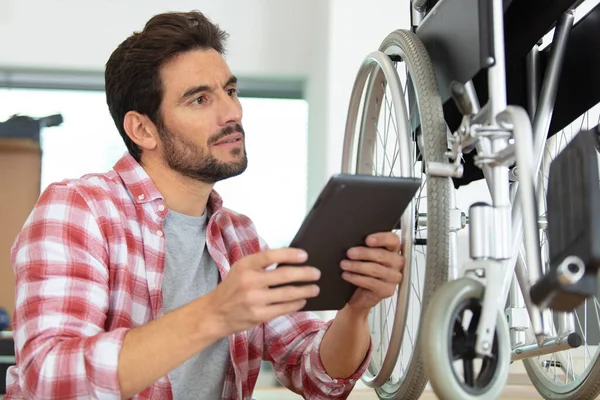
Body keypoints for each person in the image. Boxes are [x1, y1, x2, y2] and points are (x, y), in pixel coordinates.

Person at [4, 10, 404, 400]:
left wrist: (356, 310)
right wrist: (215, 313)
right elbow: (52, 381)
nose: (232, 112)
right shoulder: (79, 209)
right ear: (142, 129)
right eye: (199, 99)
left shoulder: (239, 237)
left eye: (230, 91)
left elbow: (318, 377)